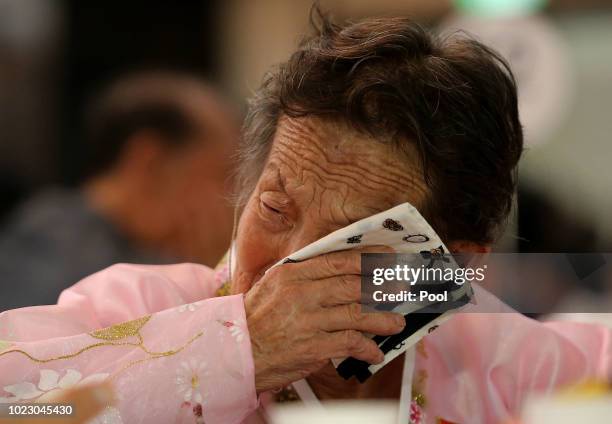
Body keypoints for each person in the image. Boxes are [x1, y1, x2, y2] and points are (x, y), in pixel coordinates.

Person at [0, 12, 609, 424]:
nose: (285, 265)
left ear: (448, 267)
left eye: (346, 241)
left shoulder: (500, 360)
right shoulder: (139, 306)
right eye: (273, 208)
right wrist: (240, 352)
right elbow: (22, 409)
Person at [0, 72, 238, 311]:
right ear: (148, 160)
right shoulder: (57, 241)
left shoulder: (145, 250)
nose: (230, 198)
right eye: (219, 175)